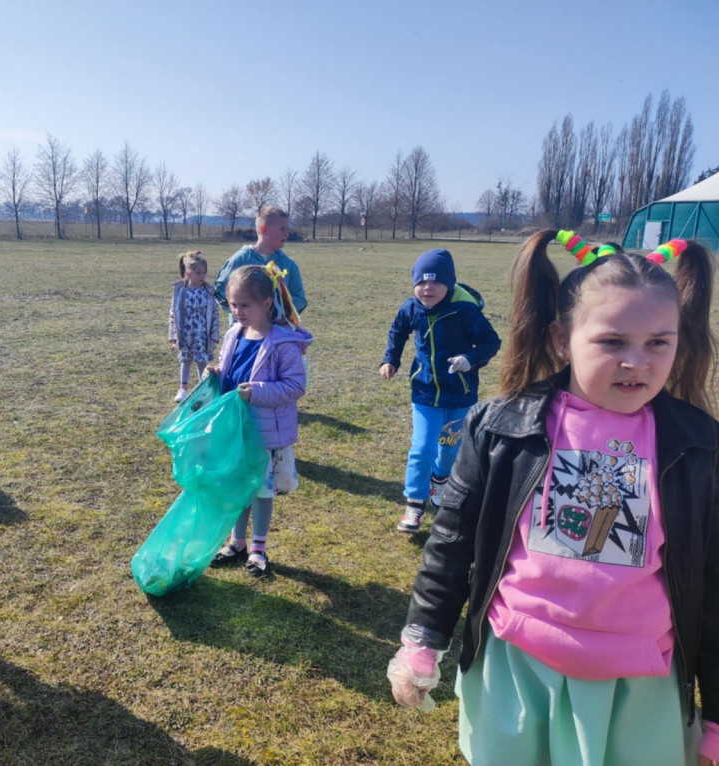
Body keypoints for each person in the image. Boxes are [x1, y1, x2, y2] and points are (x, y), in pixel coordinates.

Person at [387, 230, 719, 766]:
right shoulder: (501, 428)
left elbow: (712, 582)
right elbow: (452, 542)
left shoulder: (698, 446)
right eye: (612, 342)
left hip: (640, 687)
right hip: (516, 675)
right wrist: (423, 638)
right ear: (563, 339)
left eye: (659, 341)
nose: (637, 361)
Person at [379, 248, 501, 533]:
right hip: (424, 394)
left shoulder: (465, 311)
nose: (428, 288)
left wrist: (469, 359)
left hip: (460, 396)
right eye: (421, 282)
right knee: (421, 448)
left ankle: (440, 482)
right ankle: (414, 504)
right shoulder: (411, 308)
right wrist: (390, 359)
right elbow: (397, 332)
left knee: (449, 451)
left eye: (436, 282)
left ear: (450, 284)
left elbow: (491, 342)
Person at [208, 264, 313, 577]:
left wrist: (257, 392)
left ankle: (258, 548)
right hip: (235, 430)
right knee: (238, 488)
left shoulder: (283, 342)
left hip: (263, 434)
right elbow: (229, 374)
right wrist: (214, 375)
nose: (238, 311)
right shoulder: (233, 335)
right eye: (233, 304)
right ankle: (236, 541)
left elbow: (295, 387)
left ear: (267, 303)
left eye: (245, 305)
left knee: (261, 492)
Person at [214, 206, 306, 320]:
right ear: (264, 229)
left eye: (287, 229)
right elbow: (219, 293)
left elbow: (300, 300)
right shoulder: (240, 260)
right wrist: (245, 309)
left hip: (277, 333)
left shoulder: (289, 265)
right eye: (282, 229)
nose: (286, 233)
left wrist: (277, 306)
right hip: (245, 333)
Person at [168, 250, 220, 403]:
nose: (202, 276)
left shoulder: (208, 292)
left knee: (202, 362)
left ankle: (202, 391)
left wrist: (214, 335)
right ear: (188, 273)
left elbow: (215, 315)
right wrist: (173, 335)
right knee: (186, 361)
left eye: (204, 272)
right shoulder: (180, 291)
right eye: (198, 273)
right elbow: (174, 313)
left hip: (202, 334)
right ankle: (183, 389)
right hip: (186, 334)